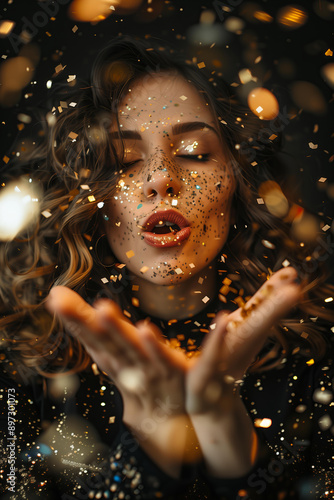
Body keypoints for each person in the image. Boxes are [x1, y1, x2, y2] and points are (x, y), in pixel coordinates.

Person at [0, 35, 333, 500]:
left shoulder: (318, 354)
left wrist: (225, 430)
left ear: (239, 180)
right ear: (89, 197)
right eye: (125, 160)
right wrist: (150, 443)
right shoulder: (23, 368)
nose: (162, 179)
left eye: (195, 152)